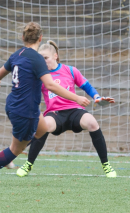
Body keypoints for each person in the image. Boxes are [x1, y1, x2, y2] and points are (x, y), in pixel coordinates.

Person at [0, 23, 90, 185]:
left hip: (15, 104)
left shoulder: (17, 54)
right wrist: (76, 98)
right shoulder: (37, 59)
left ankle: (10, 154)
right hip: (25, 110)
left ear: (23, 38)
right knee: (16, 149)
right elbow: (50, 85)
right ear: (40, 38)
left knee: (42, 129)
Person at [15, 40, 117, 178]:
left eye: (46, 58)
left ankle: (106, 165)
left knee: (92, 123)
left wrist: (97, 97)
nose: (43, 62)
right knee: (44, 126)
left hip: (75, 110)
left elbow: (87, 86)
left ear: (55, 56)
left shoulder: (70, 70)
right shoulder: (40, 77)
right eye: (40, 59)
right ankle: (28, 164)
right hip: (55, 114)